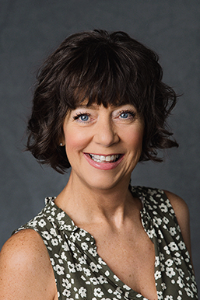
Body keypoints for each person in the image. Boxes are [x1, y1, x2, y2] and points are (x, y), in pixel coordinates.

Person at [0, 29, 198, 300]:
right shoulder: (28, 254)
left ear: (146, 124)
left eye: (124, 114)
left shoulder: (171, 213)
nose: (106, 137)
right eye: (84, 116)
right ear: (58, 130)